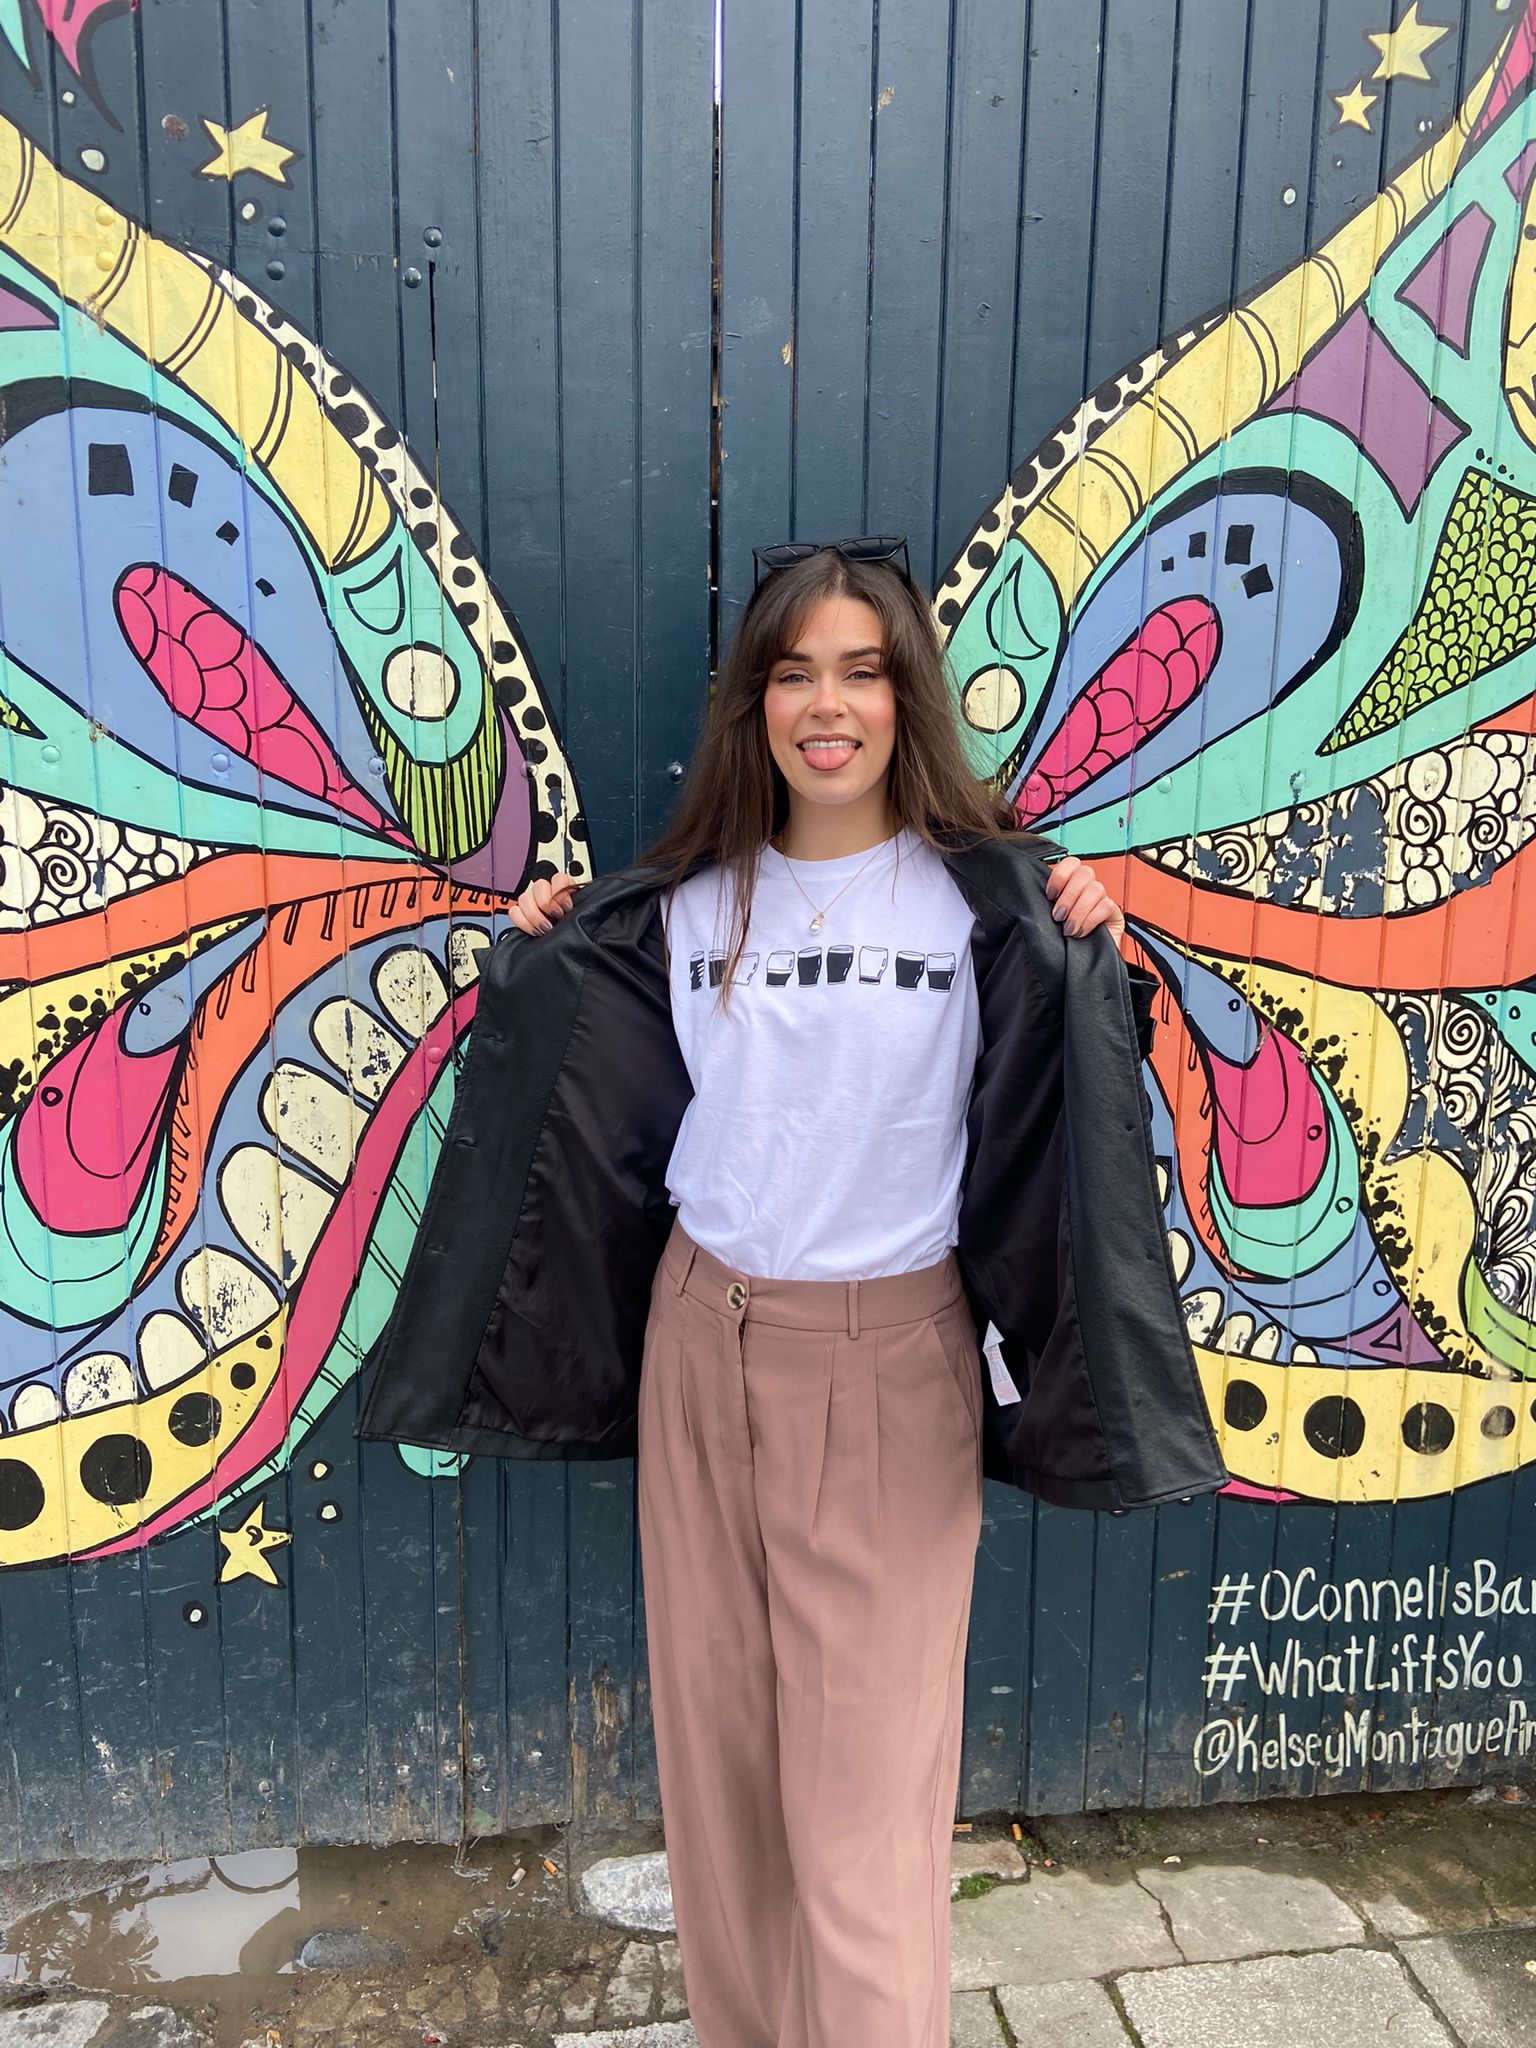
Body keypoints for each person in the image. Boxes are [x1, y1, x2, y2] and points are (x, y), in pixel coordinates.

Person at [357, 535, 1226, 2048]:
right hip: (703, 1345)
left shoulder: (993, 907)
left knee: (863, 1830)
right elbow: (601, 1121)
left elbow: (1069, 1108)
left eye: (862, 673)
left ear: (907, 698)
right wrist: (544, 964)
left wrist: (1097, 946)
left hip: (887, 1361)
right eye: (794, 674)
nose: (828, 707)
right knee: (727, 1801)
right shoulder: (683, 908)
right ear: (754, 703)